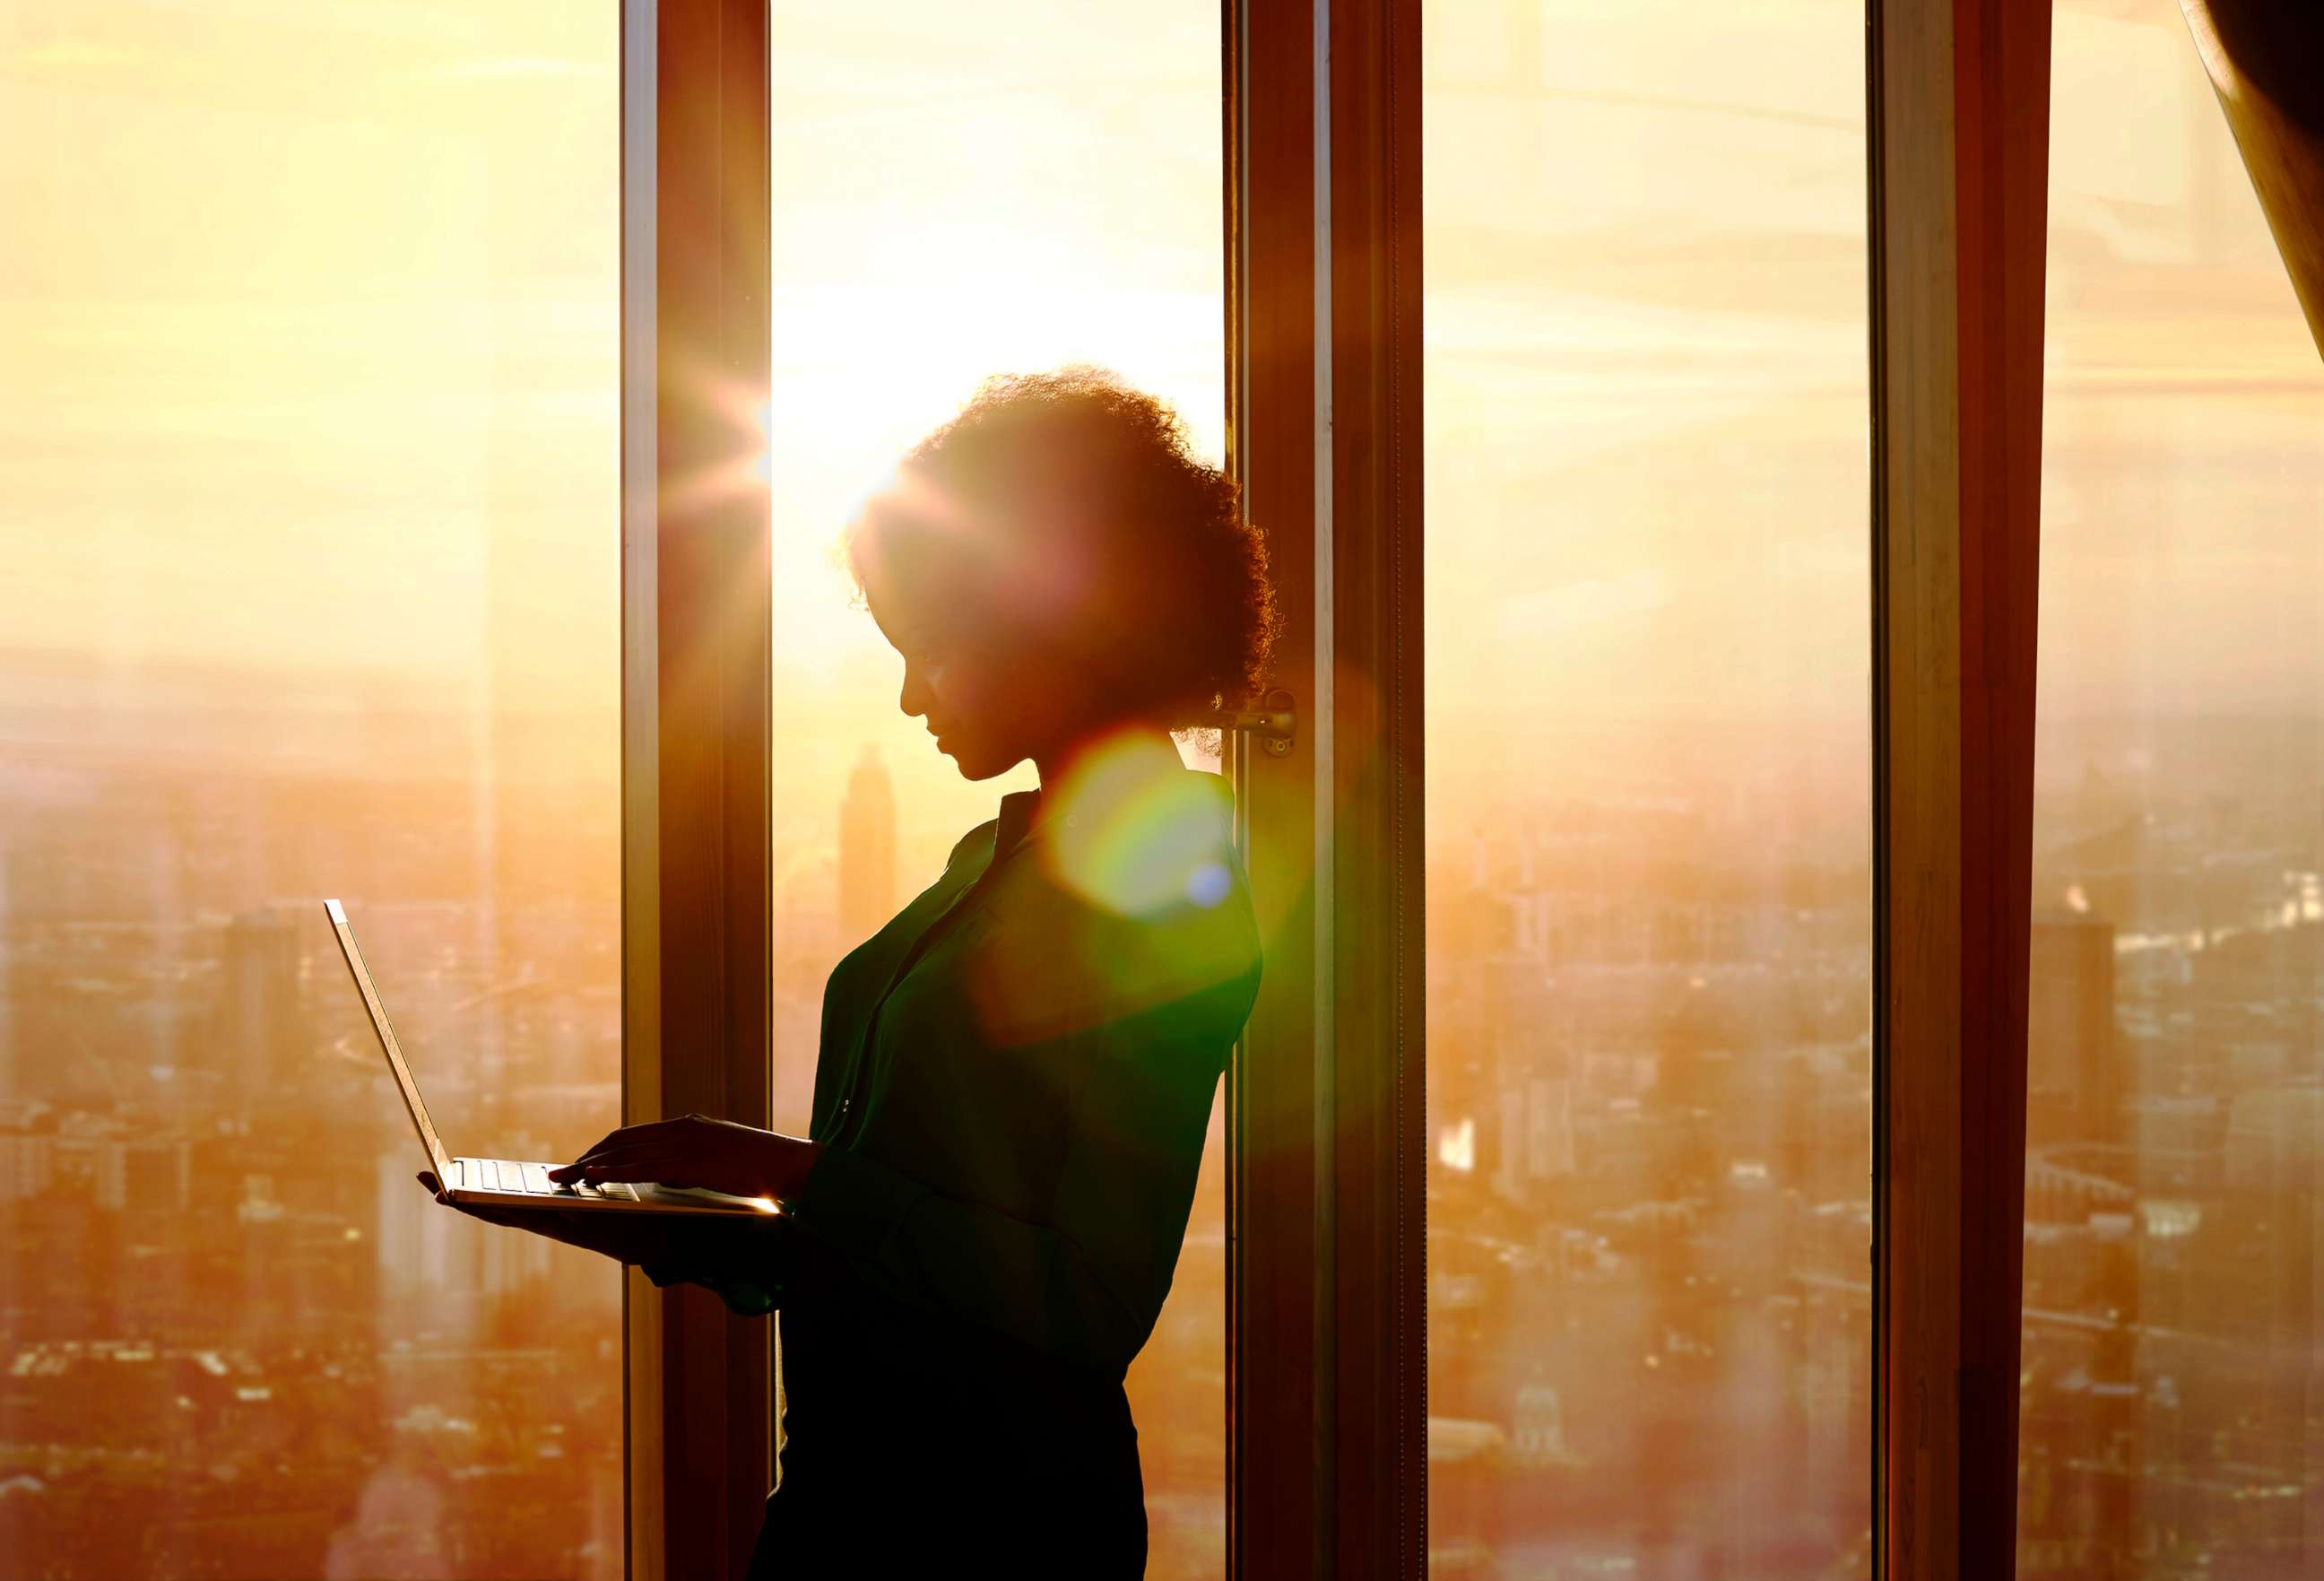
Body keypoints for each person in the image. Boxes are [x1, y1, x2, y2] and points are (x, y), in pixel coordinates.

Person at [419, 368, 1276, 1577]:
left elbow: (1086, 1298)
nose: (913, 696)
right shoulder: (1002, 860)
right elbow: (923, 1205)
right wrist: (715, 1220)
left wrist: (786, 1177)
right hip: (852, 1494)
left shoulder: (1158, 897)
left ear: (1056, 626)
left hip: (990, 1530)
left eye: (932, 650)